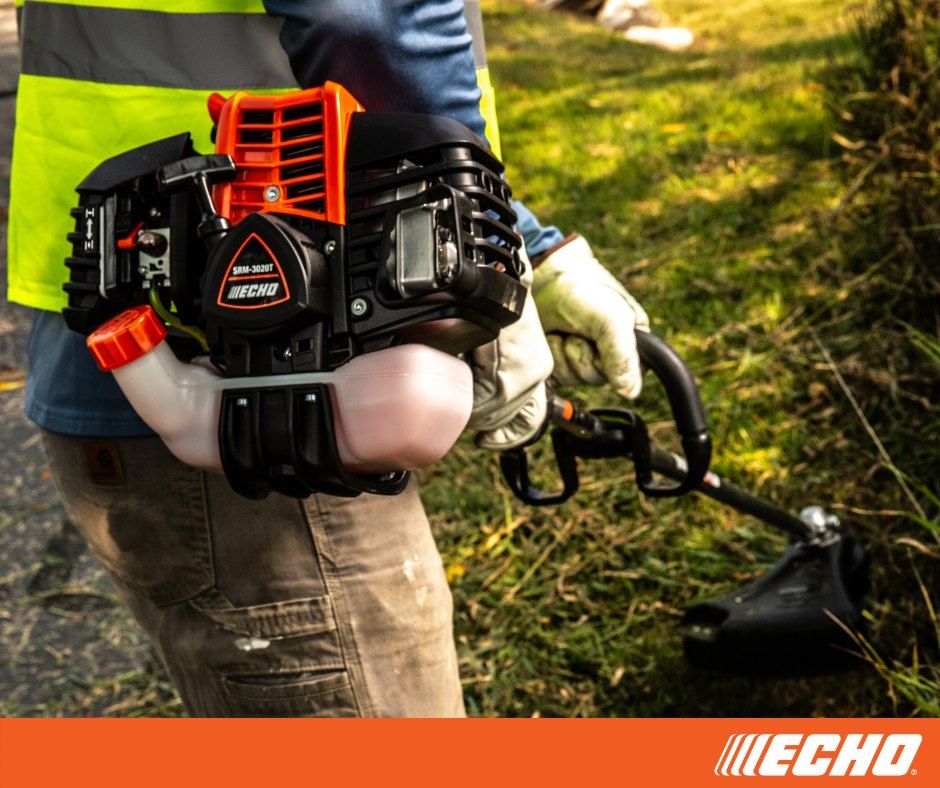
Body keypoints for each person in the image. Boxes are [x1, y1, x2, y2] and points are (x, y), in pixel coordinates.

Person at [7, 0, 648, 716]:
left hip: (144, 332)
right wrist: (466, 269)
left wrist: (518, 241)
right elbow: (365, 18)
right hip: (251, 397)